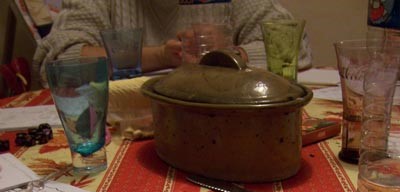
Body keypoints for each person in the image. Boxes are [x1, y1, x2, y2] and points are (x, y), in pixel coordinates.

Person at [33, 0, 312, 86]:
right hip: (123, 128)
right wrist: (162, 56)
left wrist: (229, 54)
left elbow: (292, 43)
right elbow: (56, 64)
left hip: (220, 118)